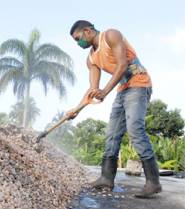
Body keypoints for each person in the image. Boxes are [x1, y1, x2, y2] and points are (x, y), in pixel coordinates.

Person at [68, 20, 161, 198]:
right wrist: (77, 109)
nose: (78, 43)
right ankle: (106, 178)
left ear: (87, 31)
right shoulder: (91, 59)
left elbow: (122, 65)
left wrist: (105, 91)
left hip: (139, 83)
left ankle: (153, 182)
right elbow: (92, 89)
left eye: (78, 39)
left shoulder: (110, 35)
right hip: (123, 89)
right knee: (111, 134)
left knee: (135, 129)